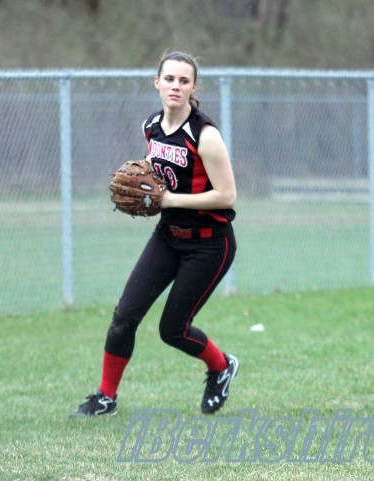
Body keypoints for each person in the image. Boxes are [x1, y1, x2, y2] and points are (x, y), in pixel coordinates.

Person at [71, 51, 239, 417]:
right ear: (157, 82)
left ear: (194, 87)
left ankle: (222, 366)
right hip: (168, 236)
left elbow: (228, 196)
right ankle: (105, 397)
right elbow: (159, 165)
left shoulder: (205, 135)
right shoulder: (151, 125)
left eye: (184, 81)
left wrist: (169, 199)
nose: (176, 86)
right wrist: (142, 179)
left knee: (173, 330)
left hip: (210, 243)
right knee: (124, 316)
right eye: (170, 79)